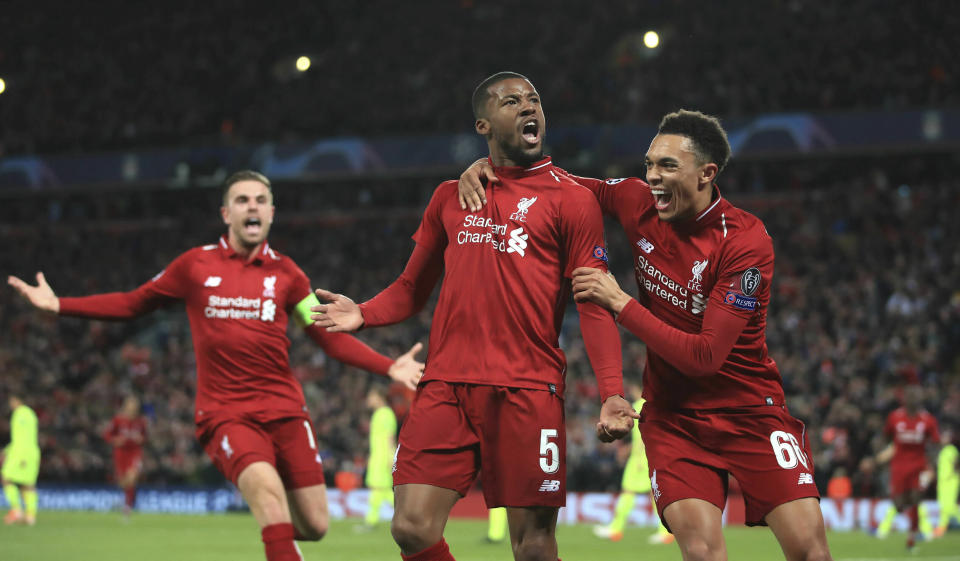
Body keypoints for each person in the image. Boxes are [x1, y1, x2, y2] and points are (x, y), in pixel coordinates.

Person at [458, 109, 834, 561]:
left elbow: (705, 357)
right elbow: (560, 182)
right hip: (674, 420)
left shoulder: (744, 241)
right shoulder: (637, 200)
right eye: (650, 164)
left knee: (811, 553)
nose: (652, 177)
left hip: (751, 412)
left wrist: (620, 303)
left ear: (707, 174)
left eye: (668, 166)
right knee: (702, 554)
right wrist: (495, 167)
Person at [8, 170, 425, 561]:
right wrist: (59, 304)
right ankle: (271, 524)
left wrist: (388, 367)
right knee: (265, 491)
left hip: (285, 412)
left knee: (315, 525)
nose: (252, 207)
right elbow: (133, 303)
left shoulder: (288, 275)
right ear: (226, 213)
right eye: (242, 200)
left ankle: (273, 526)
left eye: (261, 200)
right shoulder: (194, 266)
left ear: (271, 213)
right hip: (226, 414)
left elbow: (328, 338)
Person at [311, 71, 638, 561]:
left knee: (532, 545)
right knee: (411, 527)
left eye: (534, 100)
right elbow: (409, 290)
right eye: (512, 101)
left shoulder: (573, 200)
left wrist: (612, 390)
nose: (529, 108)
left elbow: (592, 304)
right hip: (447, 385)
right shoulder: (450, 195)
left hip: (527, 388)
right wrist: (363, 312)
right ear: (484, 125)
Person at [592, 383, 672, 545]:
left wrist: (640, 457)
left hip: (640, 460)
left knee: (630, 491)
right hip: (650, 456)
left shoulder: (638, 406)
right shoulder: (654, 404)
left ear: (637, 389)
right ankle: (665, 532)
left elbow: (643, 436)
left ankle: (616, 529)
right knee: (654, 494)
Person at [875, 385, 940, 548]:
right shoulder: (895, 417)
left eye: (916, 396)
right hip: (899, 465)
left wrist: (932, 464)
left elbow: (936, 443)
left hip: (919, 465)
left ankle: (912, 535)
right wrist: (881, 454)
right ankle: (911, 524)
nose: (913, 399)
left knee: (916, 497)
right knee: (898, 504)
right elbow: (885, 436)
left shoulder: (928, 420)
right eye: (910, 396)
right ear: (904, 399)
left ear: (920, 399)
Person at [103, 395, 148, 518]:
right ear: (126, 407)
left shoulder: (141, 422)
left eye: (135, 407)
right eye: (131, 406)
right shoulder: (118, 420)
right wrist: (115, 440)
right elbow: (107, 435)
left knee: (132, 477)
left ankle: (127, 507)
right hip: (120, 453)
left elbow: (145, 437)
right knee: (123, 482)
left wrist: (142, 440)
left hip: (135, 452)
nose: (133, 409)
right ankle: (124, 503)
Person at [360, 385, 397, 530]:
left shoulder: (386, 414)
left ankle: (371, 521)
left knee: (378, 488)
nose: (369, 399)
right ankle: (407, 513)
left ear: (379, 397)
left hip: (383, 457)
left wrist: (390, 457)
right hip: (377, 456)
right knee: (381, 489)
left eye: (371, 396)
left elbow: (390, 437)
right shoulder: (378, 414)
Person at [2, 394, 40, 526]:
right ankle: (30, 515)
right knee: (27, 484)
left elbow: (22, 437)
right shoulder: (31, 413)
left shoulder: (20, 413)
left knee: (6, 478)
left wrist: (18, 454)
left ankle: (16, 509)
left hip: (22, 453)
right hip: (32, 452)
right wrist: (7, 450)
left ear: (16, 400)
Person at [934, 425, 959, 537]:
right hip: (943, 482)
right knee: (943, 507)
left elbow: (957, 464)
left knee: (950, 507)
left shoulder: (951, 450)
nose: (942, 439)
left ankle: (941, 528)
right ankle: (941, 528)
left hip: (950, 481)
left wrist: (952, 476)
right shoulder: (943, 451)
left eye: (945, 437)